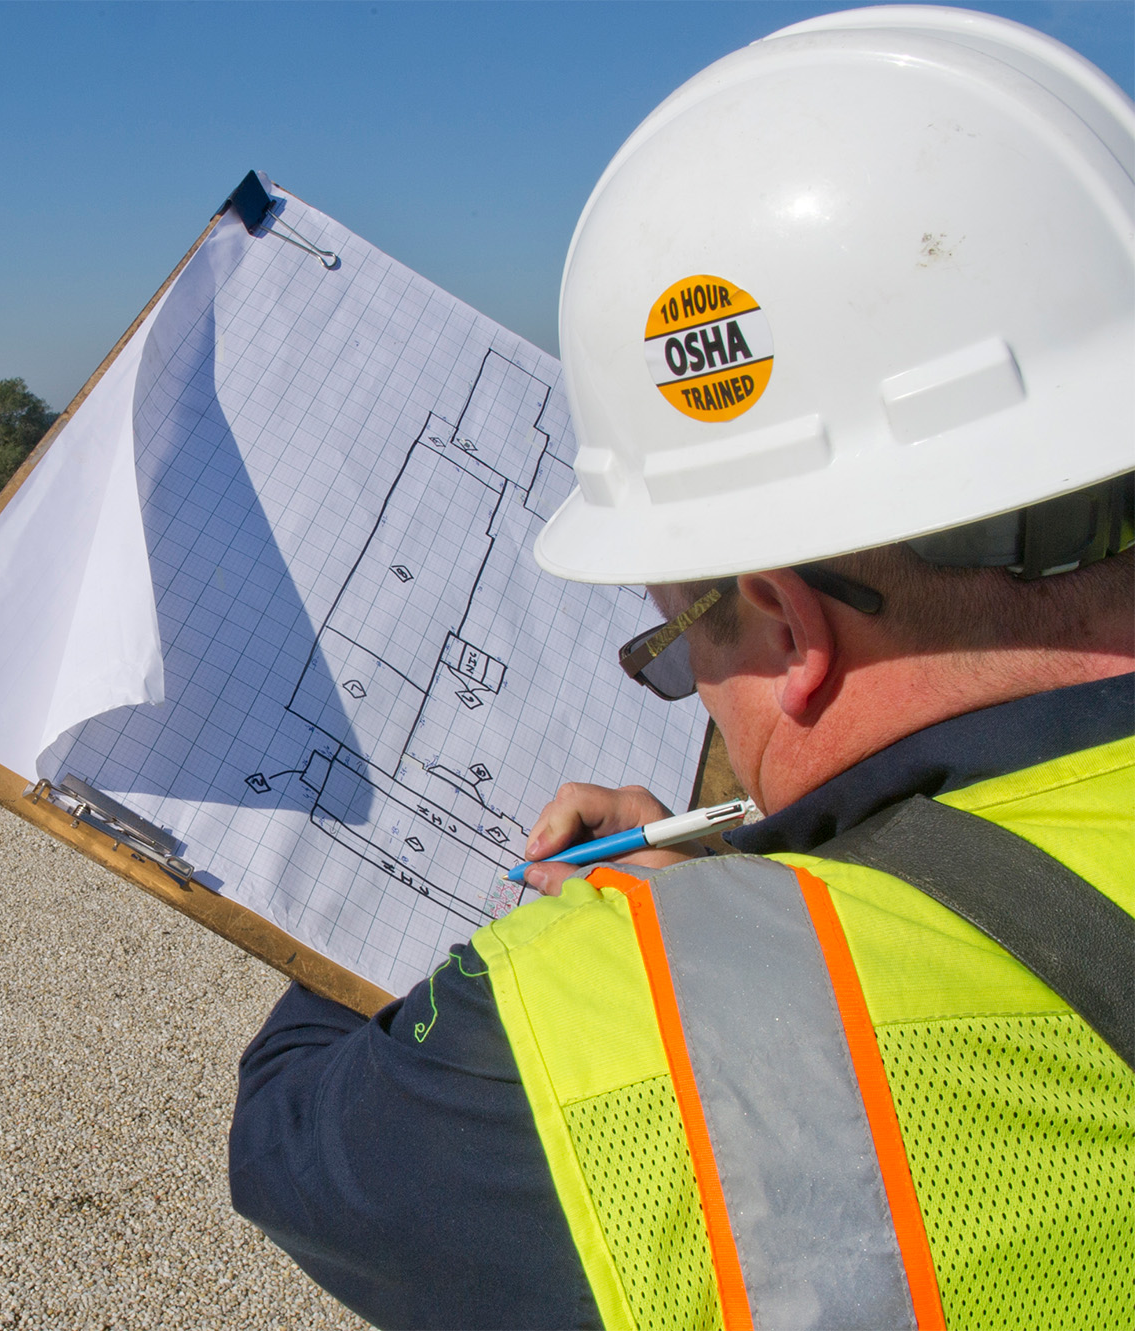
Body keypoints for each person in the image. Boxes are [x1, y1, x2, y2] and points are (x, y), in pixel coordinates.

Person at [228, 8, 1135, 1328]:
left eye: (680, 646)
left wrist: (659, 935)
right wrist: (756, 891)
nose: (695, 687)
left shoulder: (613, 1022)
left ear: (787, 632)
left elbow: (302, 1140)